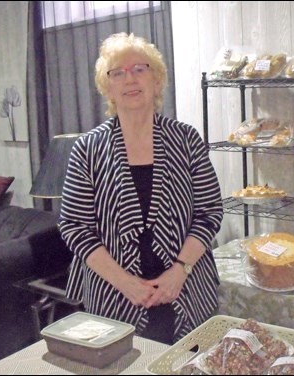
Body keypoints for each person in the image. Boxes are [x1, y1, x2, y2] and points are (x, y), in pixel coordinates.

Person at [58, 32, 223, 345]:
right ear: (107, 87)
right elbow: (74, 226)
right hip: (114, 296)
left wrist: (180, 270)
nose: (129, 78)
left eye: (139, 69)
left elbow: (210, 212)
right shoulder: (88, 149)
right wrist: (126, 283)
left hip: (185, 290)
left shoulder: (186, 140)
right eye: (117, 72)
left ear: (157, 80)